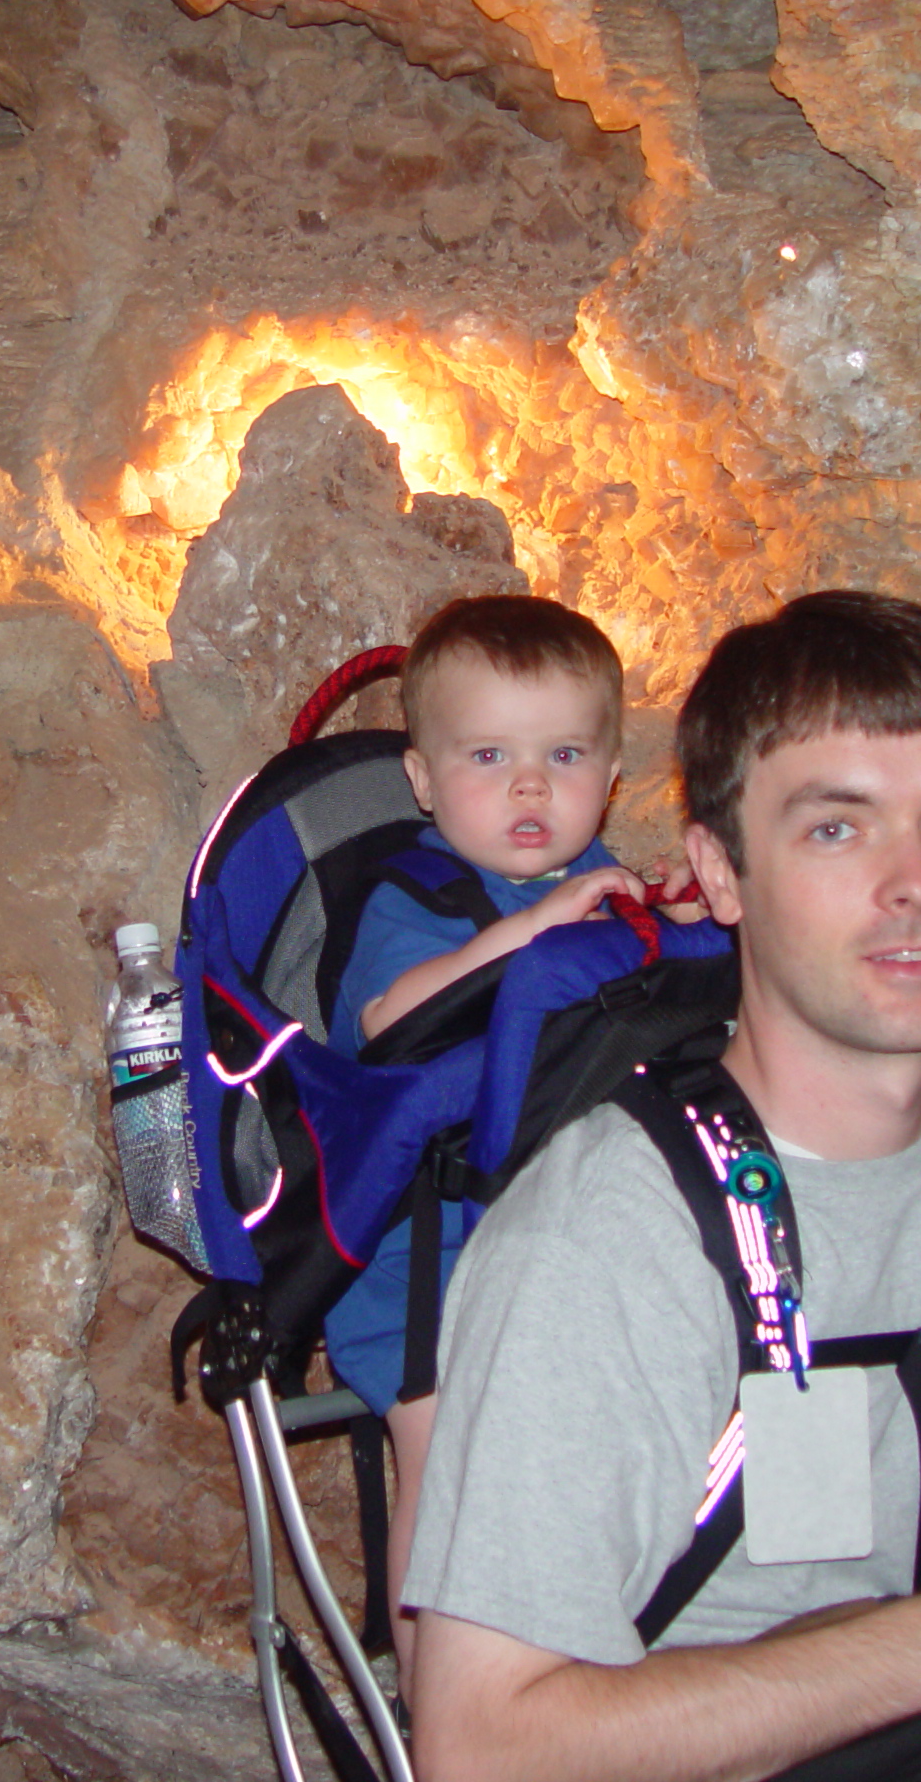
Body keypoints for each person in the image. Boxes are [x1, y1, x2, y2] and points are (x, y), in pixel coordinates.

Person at [405, 590, 921, 1782]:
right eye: (837, 829)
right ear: (719, 875)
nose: (915, 885)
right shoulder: (608, 1238)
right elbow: (480, 1746)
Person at [323, 594, 652, 1693]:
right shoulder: (415, 900)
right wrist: (526, 935)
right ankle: (441, 1715)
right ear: (423, 781)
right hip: (420, 1258)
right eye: (488, 756)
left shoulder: (616, 896)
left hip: (568, 1252)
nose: (528, 786)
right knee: (443, 1450)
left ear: (609, 772)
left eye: (563, 754)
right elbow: (383, 1020)